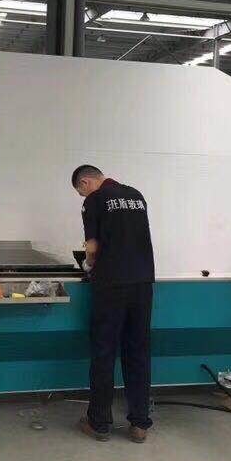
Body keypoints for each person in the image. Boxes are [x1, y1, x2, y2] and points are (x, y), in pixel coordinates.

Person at [71, 164, 155, 443]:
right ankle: (140, 424)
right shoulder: (137, 195)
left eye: (80, 192)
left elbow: (92, 247)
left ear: (85, 182)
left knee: (104, 352)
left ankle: (99, 423)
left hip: (111, 285)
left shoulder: (94, 200)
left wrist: (89, 265)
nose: (83, 197)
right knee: (138, 351)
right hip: (143, 283)